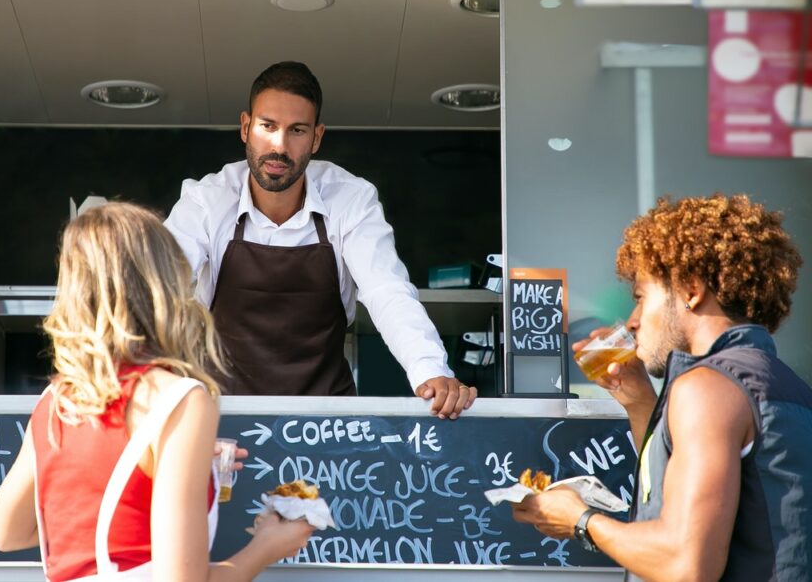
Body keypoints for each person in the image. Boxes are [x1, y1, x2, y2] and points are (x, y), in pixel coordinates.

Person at [0, 202, 313, 581]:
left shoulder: (57, 400)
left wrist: (168, 459)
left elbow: (7, 533)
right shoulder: (181, 400)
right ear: (165, 281)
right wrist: (267, 547)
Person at [511, 194, 811, 581]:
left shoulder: (707, 388)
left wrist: (580, 520)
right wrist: (639, 401)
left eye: (640, 297)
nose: (633, 321)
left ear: (690, 291)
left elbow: (685, 565)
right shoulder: (788, 386)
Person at [165, 61, 474, 419]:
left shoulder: (351, 199)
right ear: (246, 127)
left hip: (329, 422)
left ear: (317, 137)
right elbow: (162, 289)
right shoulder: (206, 200)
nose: (279, 146)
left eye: (297, 130)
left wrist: (430, 371)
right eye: (268, 126)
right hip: (225, 414)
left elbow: (386, 290)